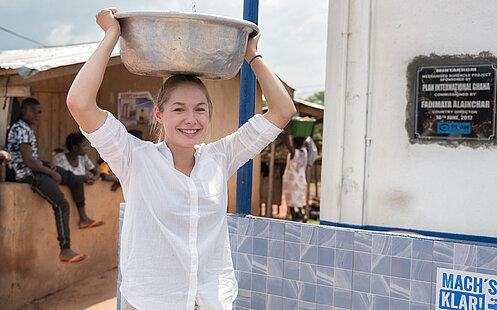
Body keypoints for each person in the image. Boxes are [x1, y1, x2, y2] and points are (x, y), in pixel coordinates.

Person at [66, 7, 295, 309]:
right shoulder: (135, 158)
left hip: (211, 300)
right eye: (179, 109)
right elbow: (79, 103)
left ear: (209, 115)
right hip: (152, 302)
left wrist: (251, 54)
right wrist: (112, 35)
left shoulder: (221, 156)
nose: (191, 119)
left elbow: (282, 111)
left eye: (200, 109)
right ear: (159, 115)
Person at [6, 98, 97, 263]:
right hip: (29, 175)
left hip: (36, 168)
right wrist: (50, 172)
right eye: (32, 111)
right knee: (61, 204)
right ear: (23, 111)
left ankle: (83, 218)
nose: (36, 114)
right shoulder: (21, 128)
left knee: (73, 178)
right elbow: (27, 161)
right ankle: (65, 249)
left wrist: (44, 163)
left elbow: (30, 157)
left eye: (39, 111)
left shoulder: (25, 128)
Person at [282, 134, 308, 221]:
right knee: (299, 202)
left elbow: (286, 142)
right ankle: (303, 214)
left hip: (291, 181)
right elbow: (307, 138)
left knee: (291, 201)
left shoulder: (294, 153)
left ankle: (294, 218)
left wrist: (287, 129)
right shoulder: (304, 152)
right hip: (301, 180)